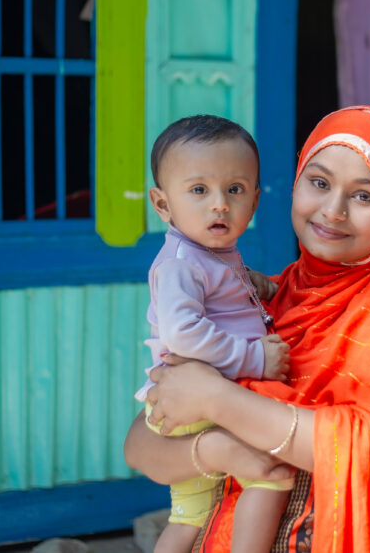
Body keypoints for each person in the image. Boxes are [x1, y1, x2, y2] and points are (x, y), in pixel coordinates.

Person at [125, 106, 370, 552]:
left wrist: (217, 398)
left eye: (364, 196)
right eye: (319, 183)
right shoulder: (271, 298)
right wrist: (217, 452)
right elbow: (141, 446)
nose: (333, 211)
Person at [136, 114, 294, 553]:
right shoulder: (178, 265)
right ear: (162, 204)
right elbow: (184, 335)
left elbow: (221, 296)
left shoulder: (212, 255)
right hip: (197, 399)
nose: (219, 204)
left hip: (197, 403)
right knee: (268, 477)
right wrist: (255, 359)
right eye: (199, 190)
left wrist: (255, 284)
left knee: (189, 516)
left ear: (255, 201)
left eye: (235, 190)